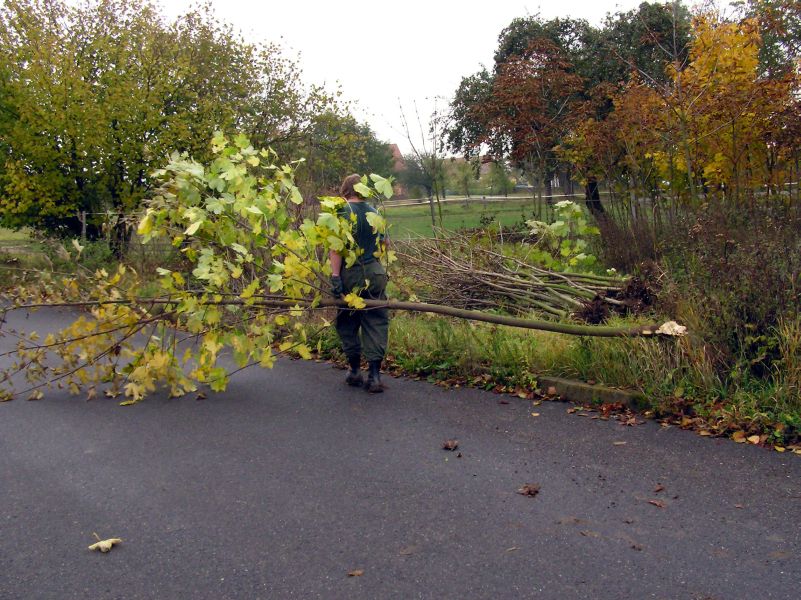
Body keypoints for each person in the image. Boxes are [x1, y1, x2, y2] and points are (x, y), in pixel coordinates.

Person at [329, 174, 390, 393]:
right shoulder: (375, 213)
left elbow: (336, 248)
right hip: (375, 272)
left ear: (345, 191)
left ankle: (354, 371)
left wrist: (335, 276)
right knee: (376, 320)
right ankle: (374, 376)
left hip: (351, 273)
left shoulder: (341, 212)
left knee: (348, 320)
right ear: (363, 190)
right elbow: (385, 244)